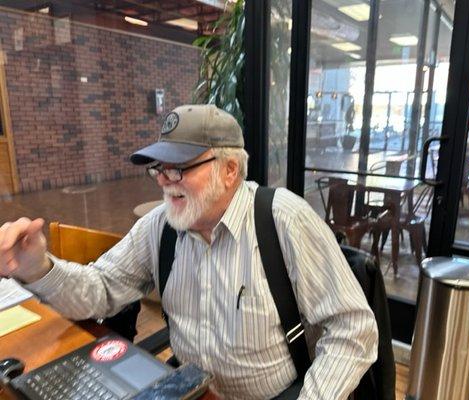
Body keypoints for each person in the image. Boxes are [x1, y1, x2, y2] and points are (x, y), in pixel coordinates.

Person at [0, 104, 378, 399]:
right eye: (159, 167)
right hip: (188, 390)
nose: (164, 179)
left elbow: (353, 328)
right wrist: (38, 268)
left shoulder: (284, 220)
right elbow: (100, 289)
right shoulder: (160, 226)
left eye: (179, 167)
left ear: (229, 170)